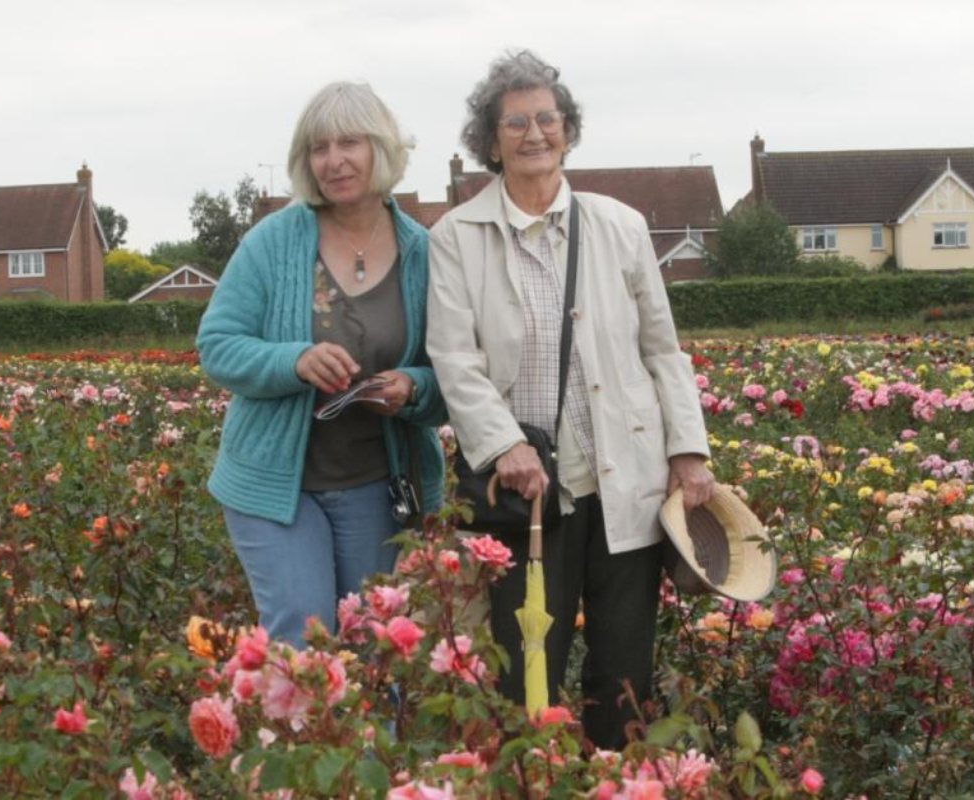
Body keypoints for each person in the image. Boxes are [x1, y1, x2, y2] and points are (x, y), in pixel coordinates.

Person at [427, 50, 713, 748]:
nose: (534, 134)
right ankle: (531, 780)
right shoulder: (455, 237)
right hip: (524, 491)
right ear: (489, 142)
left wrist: (688, 451)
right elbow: (454, 359)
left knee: (624, 672)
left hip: (628, 479)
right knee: (525, 670)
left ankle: (618, 783)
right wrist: (505, 445)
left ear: (567, 129)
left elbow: (661, 347)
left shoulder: (619, 225)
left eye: (547, 119)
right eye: (515, 122)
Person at [197, 81, 445, 648]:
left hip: (378, 485)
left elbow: (452, 370)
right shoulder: (272, 242)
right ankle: (298, 740)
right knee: (302, 641)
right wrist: (295, 360)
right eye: (319, 148)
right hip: (276, 487)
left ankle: (373, 742)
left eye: (349, 143)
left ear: (380, 149)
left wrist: (412, 386)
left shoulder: (423, 252)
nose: (333, 161)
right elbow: (216, 344)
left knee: (376, 648)